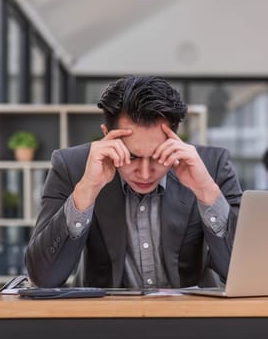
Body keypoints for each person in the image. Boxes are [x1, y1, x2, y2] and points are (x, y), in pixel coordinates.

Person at [25, 75, 243, 289]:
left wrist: (206, 191)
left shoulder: (211, 167)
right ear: (107, 135)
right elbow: (44, 277)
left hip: (191, 318)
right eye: (132, 157)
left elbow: (242, 272)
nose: (146, 174)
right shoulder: (72, 167)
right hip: (101, 318)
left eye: (158, 156)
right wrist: (87, 190)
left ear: (176, 138)